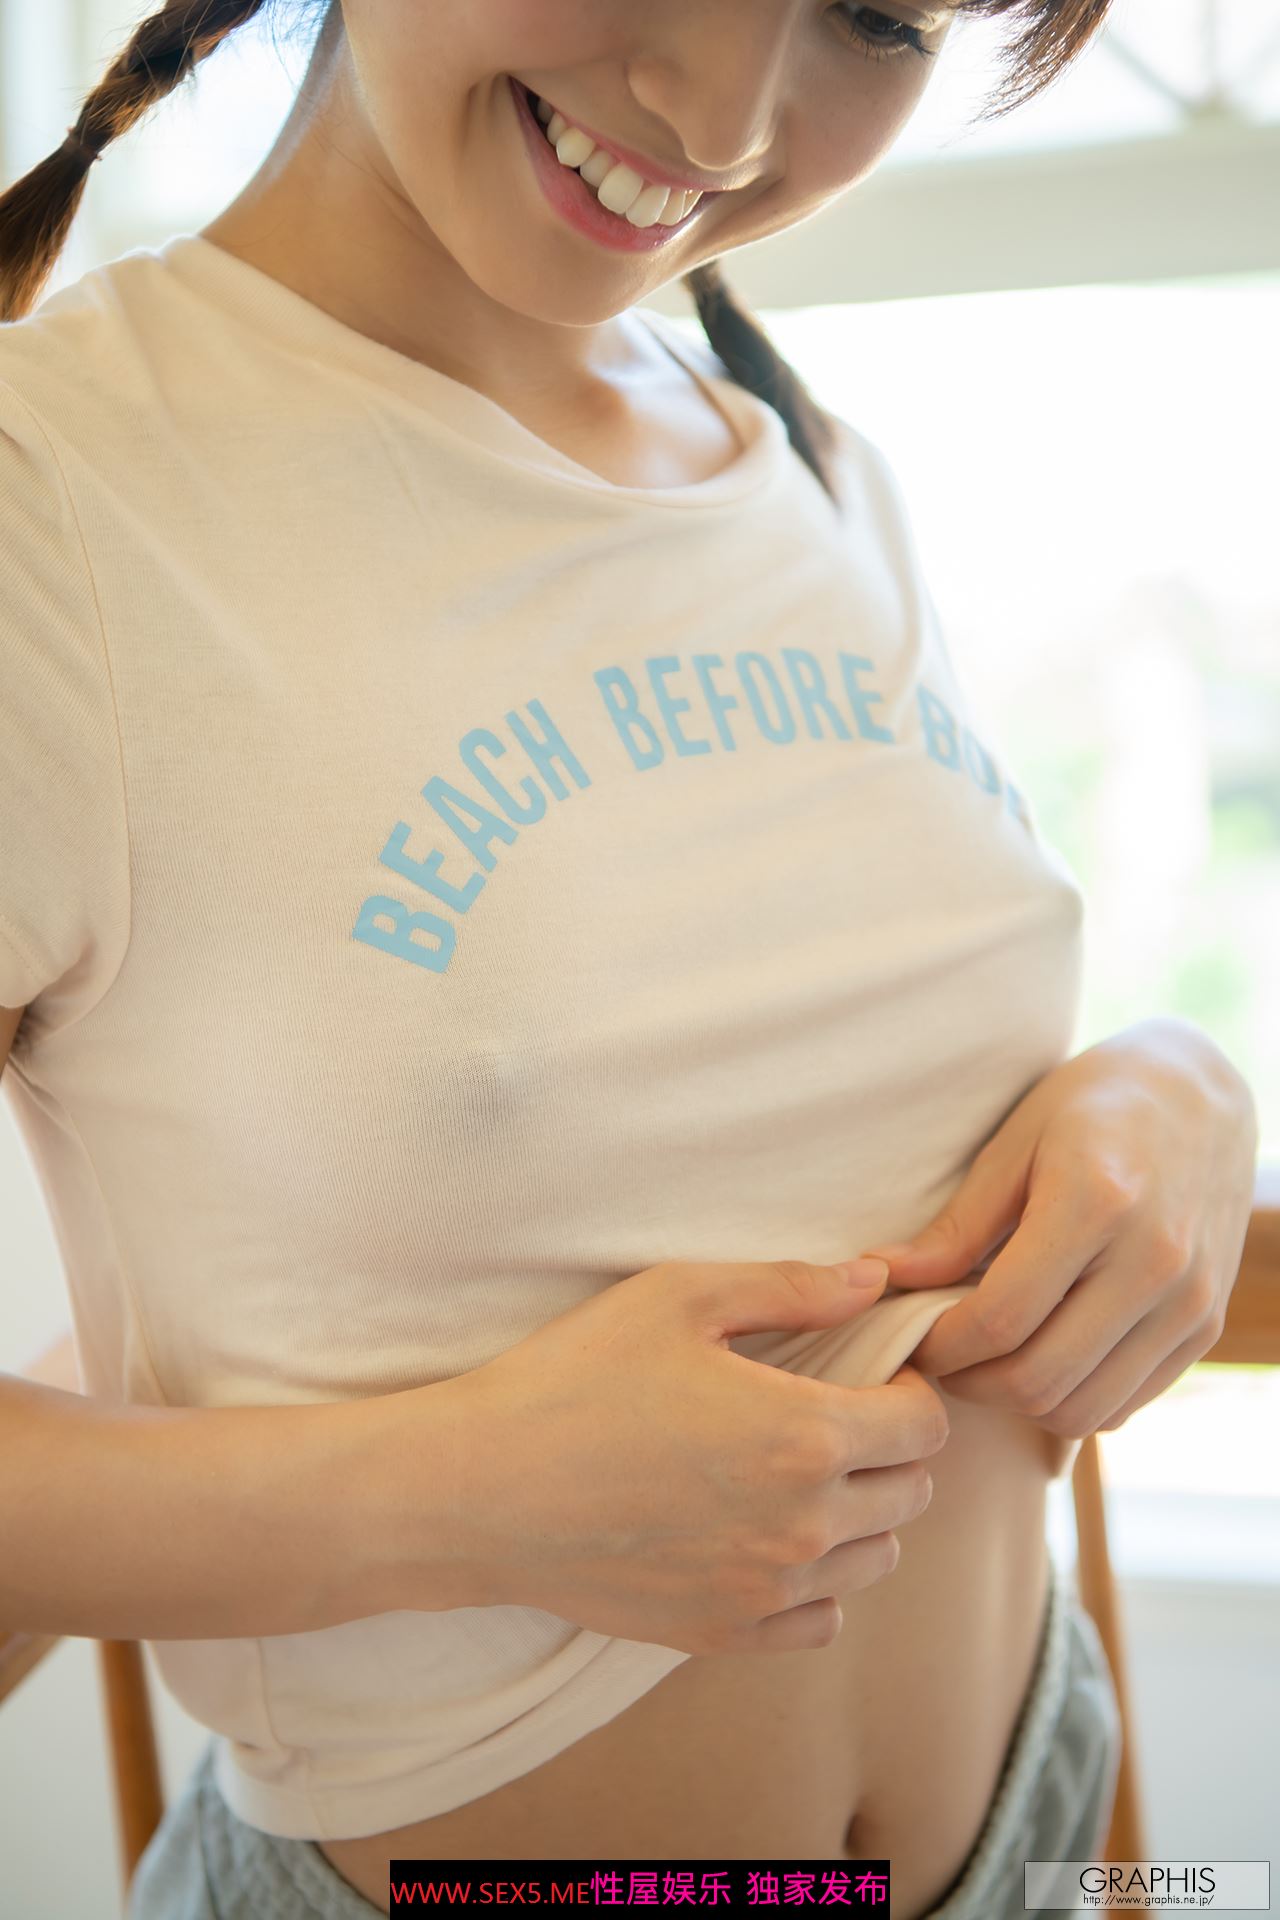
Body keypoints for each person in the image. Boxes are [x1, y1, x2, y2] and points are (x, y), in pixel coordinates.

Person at [0, 1, 1149, 1915]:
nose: (727, 116)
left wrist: (1166, 1084)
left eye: (879, 13)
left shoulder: (813, 465)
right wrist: (465, 1496)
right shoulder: (53, 497)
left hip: (1044, 1829)